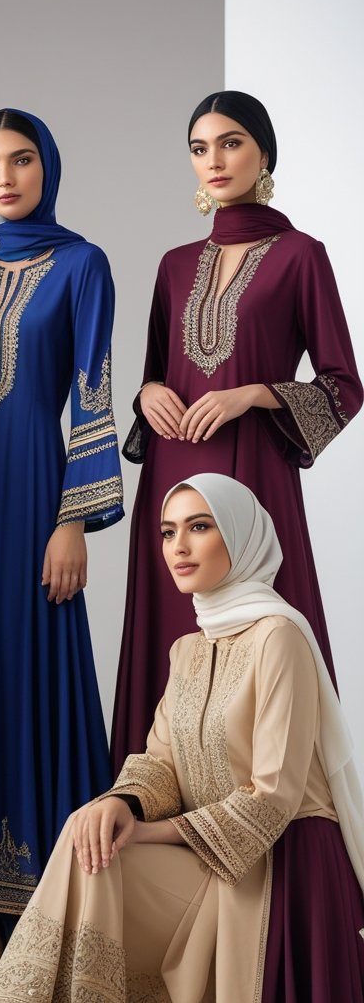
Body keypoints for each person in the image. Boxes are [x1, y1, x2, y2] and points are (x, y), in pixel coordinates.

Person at [0, 474, 364, 1003]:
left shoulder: (279, 638)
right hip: (208, 860)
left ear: (240, 537)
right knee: (88, 834)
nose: (178, 546)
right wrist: (122, 802)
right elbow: (159, 761)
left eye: (200, 527)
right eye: (167, 531)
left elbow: (274, 796)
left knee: (95, 843)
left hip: (277, 870)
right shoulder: (189, 650)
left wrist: (148, 834)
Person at [0, 109, 124, 988]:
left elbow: (92, 391)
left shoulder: (84, 266)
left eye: (20, 160)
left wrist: (73, 518)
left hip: (37, 501)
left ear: (48, 166)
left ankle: (49, 946)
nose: (4, 177)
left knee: (26, 686)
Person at [111, 90, 361, 775]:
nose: (214, 161)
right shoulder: (174, 265)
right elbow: (157, 375)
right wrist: (149, 392)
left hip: (251, 482)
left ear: (263, 154)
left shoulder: (300, 256)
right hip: (173, 478)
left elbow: (344, 386)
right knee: (173, 630)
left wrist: (255, 393)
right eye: (199, 148)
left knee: (257, 645)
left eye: (230, 144)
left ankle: (269, 824)